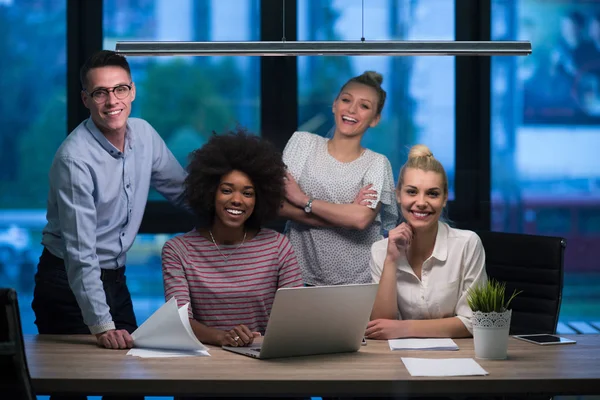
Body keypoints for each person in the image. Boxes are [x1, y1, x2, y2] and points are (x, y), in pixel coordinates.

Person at [31, 49, 188, 362]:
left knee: (130, 378)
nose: (112, 101)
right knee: (73, 383)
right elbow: (81, 253)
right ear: (85, 99)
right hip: (65, 281)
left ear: (132, 91)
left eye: (120, 89)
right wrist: (102, 325)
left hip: (116, 278)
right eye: (100, 92)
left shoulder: (144, 134)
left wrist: (236, 209)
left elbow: (184, 192)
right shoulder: (74, 159)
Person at [162, 129, 303, 347]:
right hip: (206, 358)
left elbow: (295, 315)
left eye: (247, 193)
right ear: (210, 192)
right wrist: (222, 337)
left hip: (264, 357)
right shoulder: (178, 250)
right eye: (227, 190)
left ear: (259, 199)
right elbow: (179, 321)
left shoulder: (277, 246)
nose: (237, 200)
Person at [281, 71, 398, 286]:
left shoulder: (377, 163)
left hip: (359, 281)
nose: (352, 110)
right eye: (346, 100)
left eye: (364, 106)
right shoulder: (302, 143)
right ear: (335, 105)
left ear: (375, 119)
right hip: (299, 275)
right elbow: (277, 206)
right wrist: (344, 214)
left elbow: (360, 220)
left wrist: (303, 201)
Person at [366, 145, 487, 340]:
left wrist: (403, 329)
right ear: (398, 194)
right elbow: (380, 327)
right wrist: (390, 259)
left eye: (432, 194)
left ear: (445, 198)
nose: (421, 202)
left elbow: (474, 322)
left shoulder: (468, 244)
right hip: (396, 361)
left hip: (457, 358)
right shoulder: (380, 251)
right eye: (412, 192)